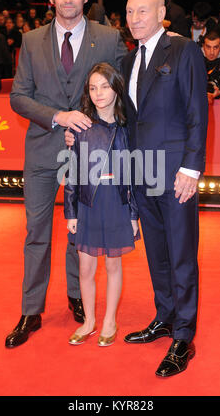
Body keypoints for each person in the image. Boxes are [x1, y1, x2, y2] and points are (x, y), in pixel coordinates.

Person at [65, 0, 208, 376]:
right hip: (140, 174)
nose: (134, 19)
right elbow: (117, 116)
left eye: (143, 11)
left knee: (181, 254)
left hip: (176, 174)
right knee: (157, 254)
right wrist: (79, 131)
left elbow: (197, 110)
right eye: (129, 12)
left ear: (161, 12)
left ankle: (183, 334)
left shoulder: (183, 51)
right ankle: (164, 316)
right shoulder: (127, 63)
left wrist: (191, 168)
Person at [5, 0, 127, 349]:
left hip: (92, 156)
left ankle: (79, 298)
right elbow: (18, 97)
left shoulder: (108, 38)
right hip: (42, 150)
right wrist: (57, 116)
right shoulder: (31, 40)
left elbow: (124, 89)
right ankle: (31, 309)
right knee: (36, 231)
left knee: (82, 232)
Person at [65, 62, 139, 346]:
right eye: (93, 88)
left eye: (105, 86)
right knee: (85, 267)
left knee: (112, 265)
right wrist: (71, 212)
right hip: (88, 203)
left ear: (117, 88)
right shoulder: (81, 125)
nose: (99, 93)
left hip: (117, 202)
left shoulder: (127, 127)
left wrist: (134, 214)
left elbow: (134, 175)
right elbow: (72, 172)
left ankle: (110, 320)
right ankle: (89, 321)